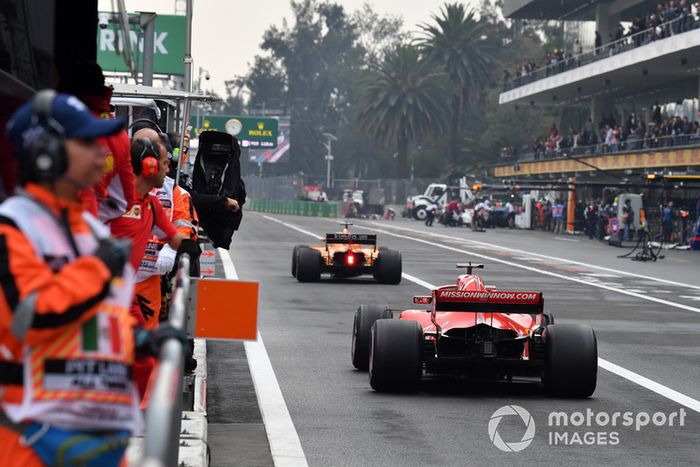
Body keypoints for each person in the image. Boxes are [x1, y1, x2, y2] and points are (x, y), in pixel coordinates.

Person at [0, 90, 182, 466]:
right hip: (29, 440)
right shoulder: (12, 230)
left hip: (93, 441)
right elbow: (32, 314)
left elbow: (96, 319)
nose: (103, 152)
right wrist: (97, 269)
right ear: (46, 153)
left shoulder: (91, 232)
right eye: (87, 142)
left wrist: (140, 341)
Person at [57, 61, 137, 221]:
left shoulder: (48, 118)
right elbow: (125, 201)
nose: (100, 152)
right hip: (88, 225)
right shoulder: (117, 134)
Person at [191, 131, 246, 249]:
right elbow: (192, 197)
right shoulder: (190, 176)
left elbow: (235, 212)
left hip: (216, 234)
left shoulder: (234, 183)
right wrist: (223, 202)